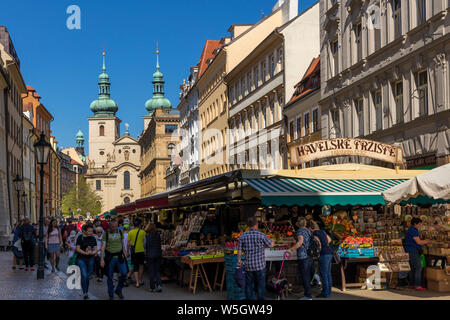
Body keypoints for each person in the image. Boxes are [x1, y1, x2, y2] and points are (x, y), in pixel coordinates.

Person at [237, 216, 274, 300]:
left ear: (248, 225)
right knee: (261, 285)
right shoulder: (261, 235)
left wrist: (239, 260)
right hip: (260, 266)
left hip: (248, 265)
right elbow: (271, 245)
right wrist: (272, 241)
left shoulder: (243, 236)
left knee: (249, 285)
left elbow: (239, 250)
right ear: (256, 224)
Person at [100, 219, 128, 300]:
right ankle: (111, 294)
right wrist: (102, 259)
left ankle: (118, 290)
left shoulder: (120, 232)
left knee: (124, 273)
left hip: (119, 256)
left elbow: (122, 244)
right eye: (113, 227)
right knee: (110, 277)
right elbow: (103, 247)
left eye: (116, 226)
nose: (115, 228)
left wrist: (125, 251)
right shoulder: (106, 233)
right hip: (110, 258)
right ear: (109, 226)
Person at [288, 218, 313, 300]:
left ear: (298, 224)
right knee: (307, 275)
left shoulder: (300, 231)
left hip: (303, 256)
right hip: (309, 255)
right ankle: (308, 293)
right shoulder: (308, 230)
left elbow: (300, 242)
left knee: (305, 276)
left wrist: (291, 249)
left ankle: (308, 296)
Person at [405, 217, 430, 291]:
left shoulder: (411, 229)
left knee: (413, 268)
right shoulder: (413, 230)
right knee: (419, 268)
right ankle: (418, 285)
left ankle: (412, 284)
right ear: (415, 223)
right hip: (413, 251)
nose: (420, 225)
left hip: (411, 250)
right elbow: (418, 242)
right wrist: (427, 241)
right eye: (419, 224)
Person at [309, 221, 333, 298]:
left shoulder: (314, 233)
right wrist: (325, 244)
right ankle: (328, 291)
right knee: (328, 274)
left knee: (324, 274)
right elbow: (329, 239)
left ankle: (325, 293)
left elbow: (318, 243)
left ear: (310, 228)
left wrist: (318, 253)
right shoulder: (322, 231)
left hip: (323, 254)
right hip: (329, 253)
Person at [76, 224, 98, 300]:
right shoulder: (80, 237)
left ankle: (86, 291)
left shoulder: (93, 238)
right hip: (81, 258)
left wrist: (93, 252)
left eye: (92, 231)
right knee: (84, 275)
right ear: (84, 231)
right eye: (89, 231)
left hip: (90, 258)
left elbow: (95, 248)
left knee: (88, 276)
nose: (91, 232)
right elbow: (77, 249)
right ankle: (85, 292)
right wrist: (85, 253)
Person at [127, 219, 146, 288]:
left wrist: (127, 251)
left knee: (135, 266)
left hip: (134, 252)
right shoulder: (143, 232)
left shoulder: (130, 232)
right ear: (139, 225)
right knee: (141, 266)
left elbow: (128, 244)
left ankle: (137, 282)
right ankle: (140, 280)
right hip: (141, 251)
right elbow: (144, 243)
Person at [144, 223, 162, 292]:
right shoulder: (158, 235)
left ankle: (152, 287)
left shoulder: (146, 236)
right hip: (158, 254)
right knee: (157, 271)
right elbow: (159, 244)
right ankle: (159, 285)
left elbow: (144, 246)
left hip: (150, 255)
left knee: (151, 272)